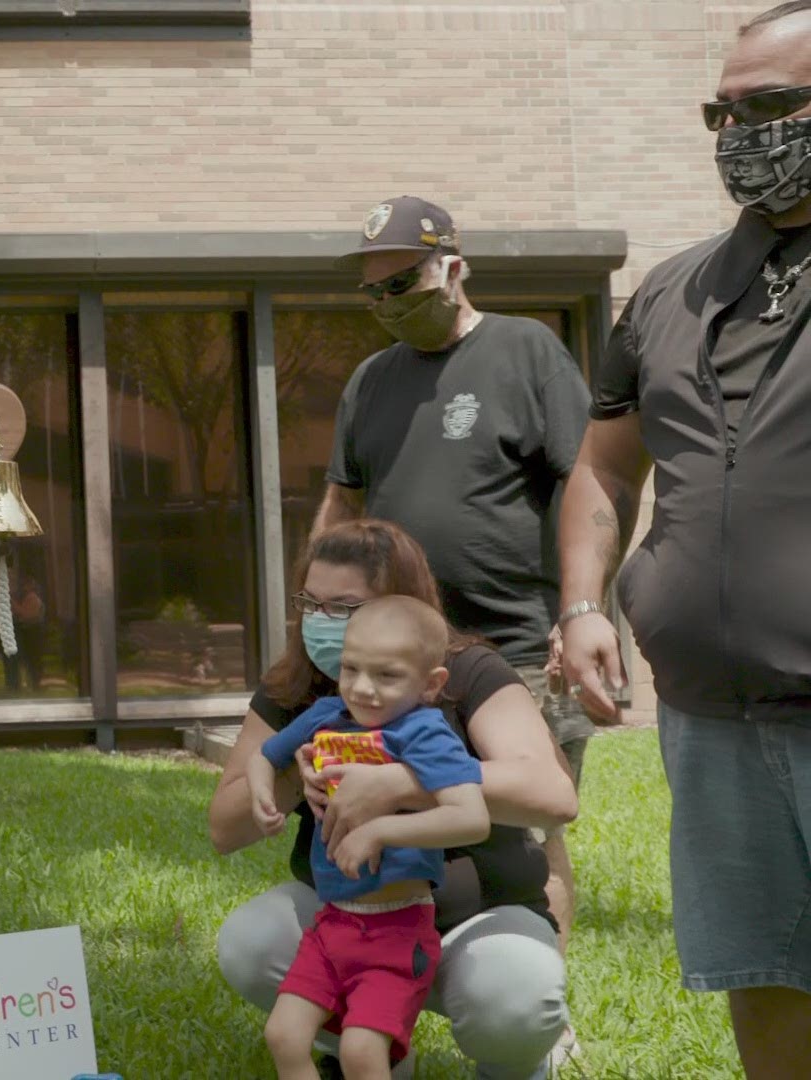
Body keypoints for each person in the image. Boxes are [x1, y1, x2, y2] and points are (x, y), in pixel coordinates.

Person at [559, 5, 811, 1075]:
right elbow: (604, 466)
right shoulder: (671, 289)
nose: (739, 131)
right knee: (761, 968)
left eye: (771, 106)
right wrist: (582, 604)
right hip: (712, 719)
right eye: (722, 110)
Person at [311, 196, 597, 987]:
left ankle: (540, 1007)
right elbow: (343, 502)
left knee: (530, 825)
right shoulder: (371, 381)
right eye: (371, 292)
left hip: (514, 641)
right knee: (398, 808)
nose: (384, 305)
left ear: (453, 267)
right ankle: (384, 991)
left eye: (400, 284)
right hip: (398, 657)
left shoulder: (525, 350)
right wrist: (320, 611)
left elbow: (586, 484)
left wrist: (579, 611)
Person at [210, 520, 578, 1080]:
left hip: (480, 918)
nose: (322, 622)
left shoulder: (466, 673)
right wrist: (298, 772)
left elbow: (552, 795)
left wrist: (400, 781)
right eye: (311, 602)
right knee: (249, 942)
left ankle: (518, 1065)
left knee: (514, 998)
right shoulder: (301, 689)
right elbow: (225, 826)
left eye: (344, 607)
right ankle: (366, 1055)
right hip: (347, 916)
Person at [248, 596, 490, 1080]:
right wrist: (261, 795)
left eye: (387, 676)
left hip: (398, 930)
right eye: (351, 668)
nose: (362, 688)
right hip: (333, 923)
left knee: (361, 1051)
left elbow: (472, 817)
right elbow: (264, 754)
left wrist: (382, 830)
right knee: (283, 1035)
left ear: (431, 684)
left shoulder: (424, 732)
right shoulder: (327, 714)